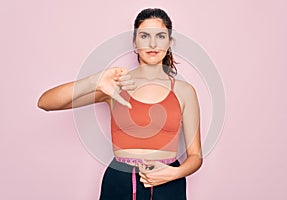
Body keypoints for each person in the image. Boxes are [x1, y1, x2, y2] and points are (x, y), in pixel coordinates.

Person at [38, 8, 203, 200]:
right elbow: (46, 103)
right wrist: (94, 81)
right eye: (144, 36)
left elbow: (195, 157)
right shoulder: (114, 85)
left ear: (169, 42)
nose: (152, 43)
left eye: (160, 36)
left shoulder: (184, 91)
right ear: (135, 42)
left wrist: (173, 173)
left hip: (169, 185)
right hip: (119, 182)